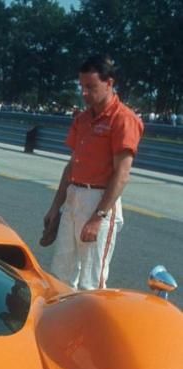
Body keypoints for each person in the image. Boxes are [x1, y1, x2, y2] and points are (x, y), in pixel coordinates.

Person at [43, 55, 143, 290]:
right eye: (82, 87)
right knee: (61, 274)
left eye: (91, 87)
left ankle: (91, 315)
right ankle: (63, 313)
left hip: (99, 200)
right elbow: (71, 167)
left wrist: (98, 218)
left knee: (91, 281)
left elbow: (122, 174)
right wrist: (55, 207)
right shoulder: (82, 119)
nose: (84, 93)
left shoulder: (123, 119)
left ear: (109, 83)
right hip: (74, 196)